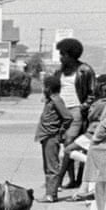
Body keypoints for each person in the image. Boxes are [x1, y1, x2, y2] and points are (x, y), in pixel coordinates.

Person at [53, 37, 96, 192]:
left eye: (63, 54)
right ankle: (71, 179)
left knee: (69, 143)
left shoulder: (85, 70)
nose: (61, 57)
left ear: (72, 55)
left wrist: (82, 108)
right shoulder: (60, 71)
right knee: (62, 145)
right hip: (59, 111)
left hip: (76, 111)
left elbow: (92, 93)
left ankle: (56, 182)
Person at [36, 73, 71, 202]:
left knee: (52, 167)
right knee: (47, 166)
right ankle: (50, 193)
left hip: (52, 136)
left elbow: (68, 117)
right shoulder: (50, 99)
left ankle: (51, 194)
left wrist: (60, 131)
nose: (43, 89)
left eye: (44, 87)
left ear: (49, 88)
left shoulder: (56, 100)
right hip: (46, 136)